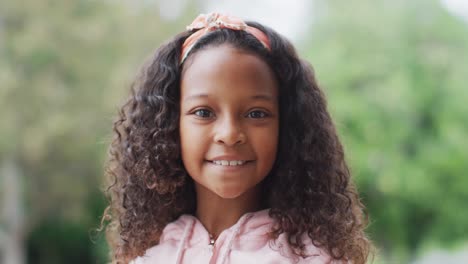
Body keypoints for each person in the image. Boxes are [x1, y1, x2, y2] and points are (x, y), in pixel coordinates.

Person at [102, 12, 372, 264]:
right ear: (171, 125)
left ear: (287, 127)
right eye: (203, 112)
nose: (230, 134)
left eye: (256, 113)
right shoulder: (148, 258)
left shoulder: (315, 259)